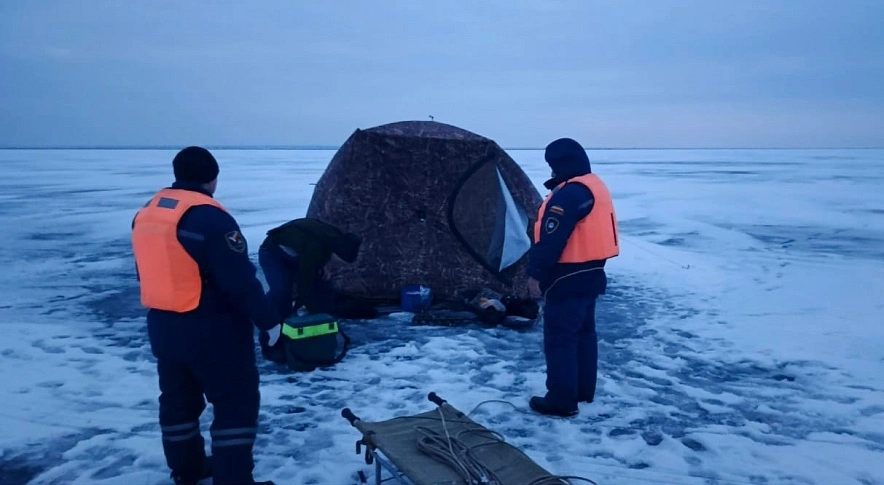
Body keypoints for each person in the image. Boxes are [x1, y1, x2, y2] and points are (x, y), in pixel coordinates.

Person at [131, 146, 279, 485]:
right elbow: (240, 281)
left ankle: (187, 470)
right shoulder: (210, 218)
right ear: (212, 178)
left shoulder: (147, 214)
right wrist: (269, 322)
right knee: (235, 404)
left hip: (164, 327)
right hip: (213, 330)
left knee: (178, 402)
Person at [526, 137, 620, 417]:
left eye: (553, 165)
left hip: (567, 277)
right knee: (584, 334)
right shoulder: (593, 186)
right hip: (593, 272)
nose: (551, 171)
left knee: (561, 338)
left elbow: (552, 240)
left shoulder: (569, 195)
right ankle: (582, 391)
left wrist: (535, 275)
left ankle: (561, 400)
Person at [256, 218, 370, 358]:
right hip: (271, 252)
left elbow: (316, 251)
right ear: (337, 253)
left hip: (296, 253)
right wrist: (300, 306)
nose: (340, 265)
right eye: (340, 261)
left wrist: (322, 265)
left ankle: (312, 332)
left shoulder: (336, 238)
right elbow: (305, 284)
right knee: (281, 292)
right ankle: (270, 331)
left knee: (323, 288)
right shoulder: (316, 248)